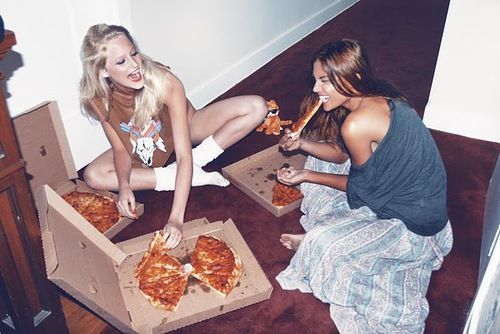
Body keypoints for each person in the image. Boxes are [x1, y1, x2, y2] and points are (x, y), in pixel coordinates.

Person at [275, 39, 453, 333]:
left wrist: (305, 177)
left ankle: (315, 242)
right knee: (319, 158)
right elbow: (343, 154)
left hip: (416, 225)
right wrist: (303, 143)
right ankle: (330, 233)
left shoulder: (355, 124)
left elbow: (360, 192)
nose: (316, 89)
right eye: (315, 80)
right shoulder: (379, 94)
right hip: (417, 197)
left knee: (323, 240)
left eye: (323, 81)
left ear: (351, 76)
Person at [79, 24, 268, 249]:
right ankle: (175, 176)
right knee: (92, 175)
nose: (134, 65)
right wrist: (124, 186)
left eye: (133, 53)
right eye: (121, 62)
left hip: (187, 128)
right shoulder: (97, 98)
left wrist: (175, 220)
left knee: (258, 107)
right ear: (102, 71)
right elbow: (121, 149)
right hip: (140, 144)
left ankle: (201, 160)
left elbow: (184, 155)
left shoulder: (165, 81)